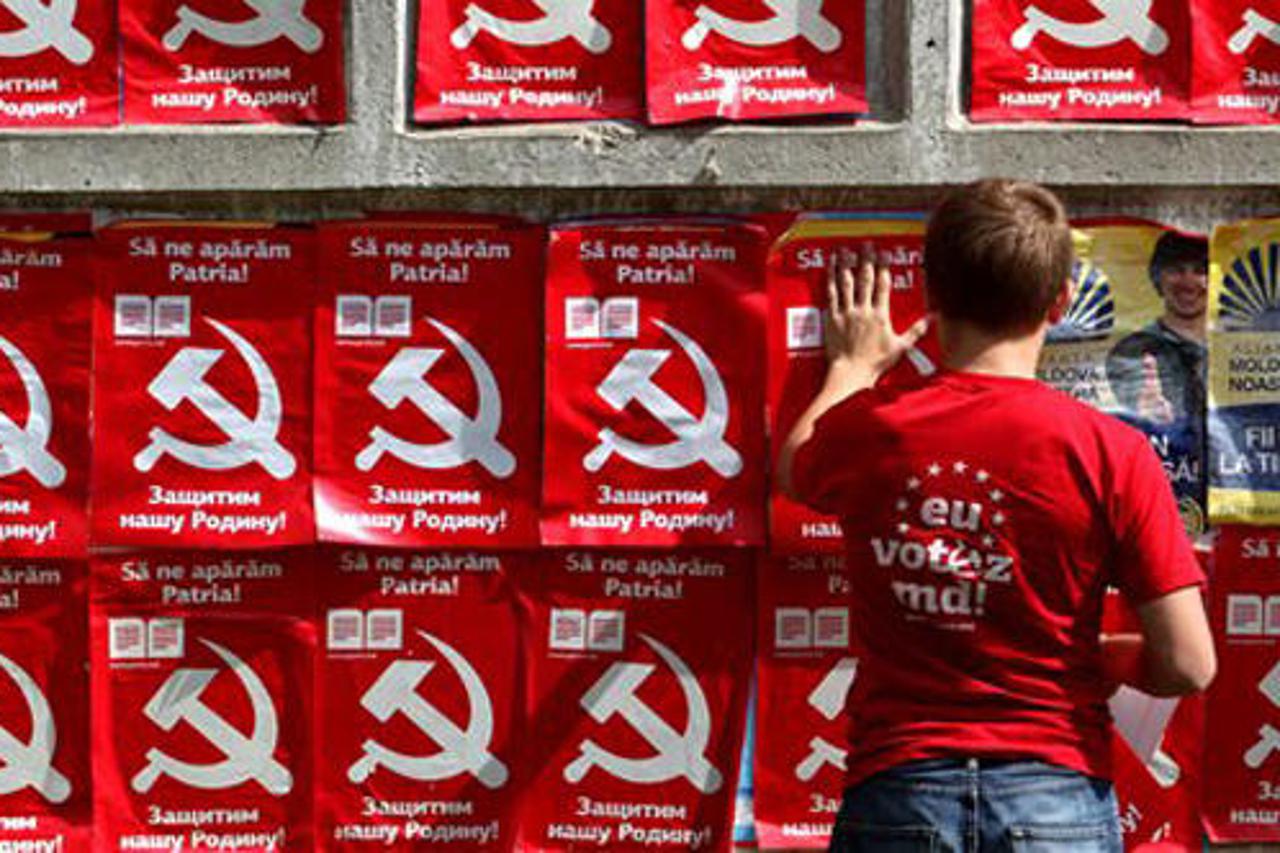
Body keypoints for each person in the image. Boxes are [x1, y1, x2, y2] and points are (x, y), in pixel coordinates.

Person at [777, 179, 1216, 853]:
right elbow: (1189, 664)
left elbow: (796, 466)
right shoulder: (1112, 452)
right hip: (1058, 794)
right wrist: (1103, 658)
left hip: (899, 787)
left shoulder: (872, 429)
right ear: (1060, 303)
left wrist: (853, 366)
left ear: (930, 295)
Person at [1104, 231, 1209, 428]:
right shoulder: (1131, 351)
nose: (1188, 283)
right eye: (1176, 270)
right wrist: (1145, 417)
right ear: (1157, 278)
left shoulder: (1231, 349)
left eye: (1200, 271)